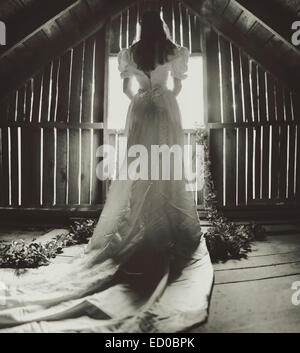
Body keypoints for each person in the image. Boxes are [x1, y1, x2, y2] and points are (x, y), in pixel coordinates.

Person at [0, 11, 213, 333]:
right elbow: (179, 86)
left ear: (141, 26)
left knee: (138, 170)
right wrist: (164, 97)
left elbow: (128, 91)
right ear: (164, 26)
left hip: (139, 110)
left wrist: (144, 98)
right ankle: (167, 227)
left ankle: (140, 223)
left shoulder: (131, 52)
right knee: (166, 164)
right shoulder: (175, 50)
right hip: (167, 110)